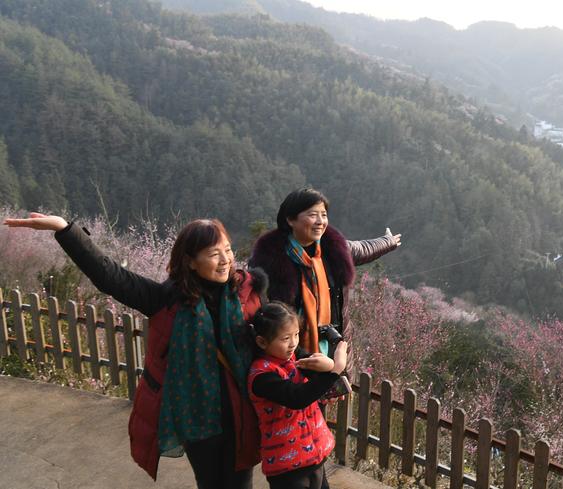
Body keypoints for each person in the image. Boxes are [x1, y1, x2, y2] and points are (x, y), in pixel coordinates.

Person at [4, 213, 266, 489]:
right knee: (210, 483)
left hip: (242, 413)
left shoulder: (247, 293)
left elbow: (275, 337)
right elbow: (110, 276)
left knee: (241, 484)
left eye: (227, 250)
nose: (225, 260)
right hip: (197, 420)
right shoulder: (167, 300)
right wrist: (65, 230)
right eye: (214, 254)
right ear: (190, 261)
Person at [248, 187, 400, 360]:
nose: (320, 221)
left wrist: (388, 241)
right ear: (290, 219)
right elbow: (260, 312)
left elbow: (363, 248)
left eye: (324, 215)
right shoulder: (269, 261)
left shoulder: (333, 249)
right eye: (313, 215)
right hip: (290, 355)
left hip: (335, 348)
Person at [247, 302, 348, 489]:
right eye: (285, 338)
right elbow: (297, 397)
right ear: (262, 342)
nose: (293, 343)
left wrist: (328, 367)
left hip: (314, 456)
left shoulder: (295, 357)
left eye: (296, 335)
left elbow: (317, 377)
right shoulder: (261, 376)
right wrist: (336, 370)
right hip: (287, 468)